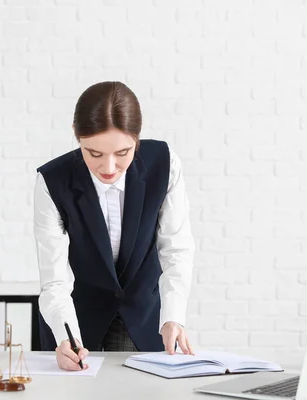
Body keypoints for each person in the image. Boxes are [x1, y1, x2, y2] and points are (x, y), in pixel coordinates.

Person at [33, 81, 195, 371]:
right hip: (78, 322)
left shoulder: (165, 165)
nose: (108, 167)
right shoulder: (52, 181)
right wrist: (64, 335)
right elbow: (54, 280)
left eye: (122, 153)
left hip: (146, 321)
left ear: (137, 138)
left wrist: (173, 316)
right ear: (76, 134)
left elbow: (176, 249)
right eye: (94, 153)